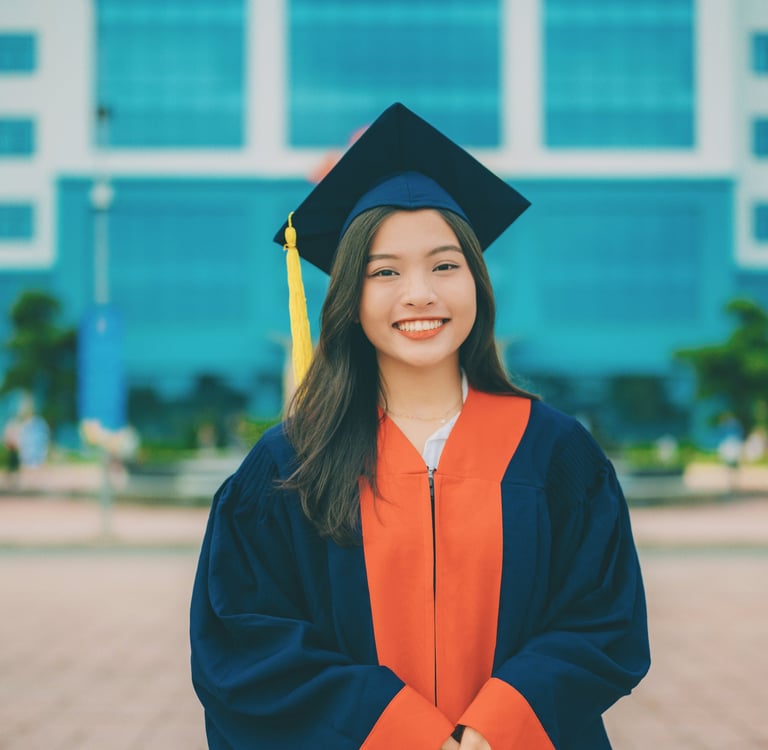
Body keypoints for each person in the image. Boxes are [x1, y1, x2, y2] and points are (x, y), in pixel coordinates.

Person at [190, 103, 650, 749]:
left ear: (477, 283)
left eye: (444, 265)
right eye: (385, 272)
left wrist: (496, 726)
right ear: (349, 297)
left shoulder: (555, 452)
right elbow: (244, 640)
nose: (419, 294)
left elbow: (604, 619)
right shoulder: (290, 463)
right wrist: (400, 732)